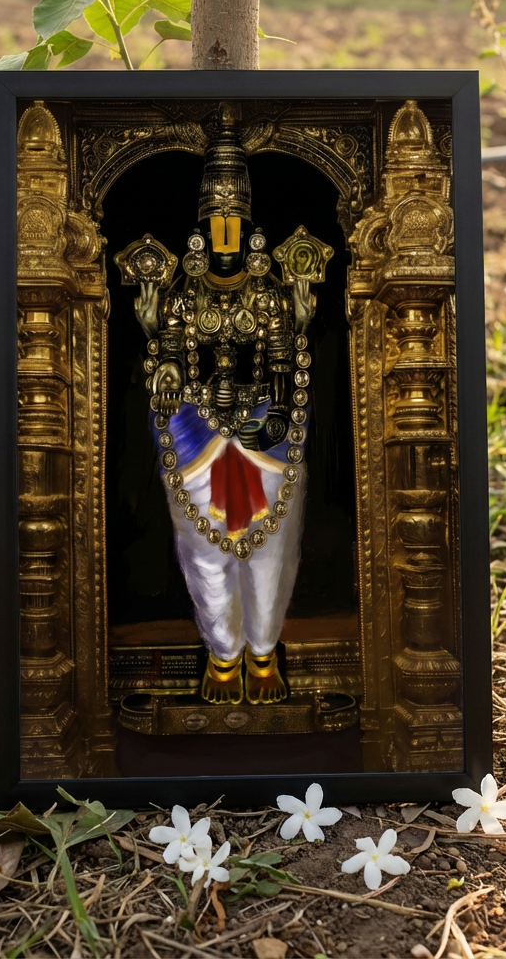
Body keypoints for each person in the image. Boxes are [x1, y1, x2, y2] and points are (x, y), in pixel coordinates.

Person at [115, 103, 328, 706]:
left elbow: (286, 358)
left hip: (265, 435)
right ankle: (224, 656)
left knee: (270, 549)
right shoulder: (186, 294)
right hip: (197, 436)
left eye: (236, 222)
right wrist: (167, 365)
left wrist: (279, 408)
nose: (227, 234)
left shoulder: (267, 294)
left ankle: (263, 654)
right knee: (205, 553)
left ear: (249, 225)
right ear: (204, 227)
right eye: (218, 223)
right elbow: (172, 358)